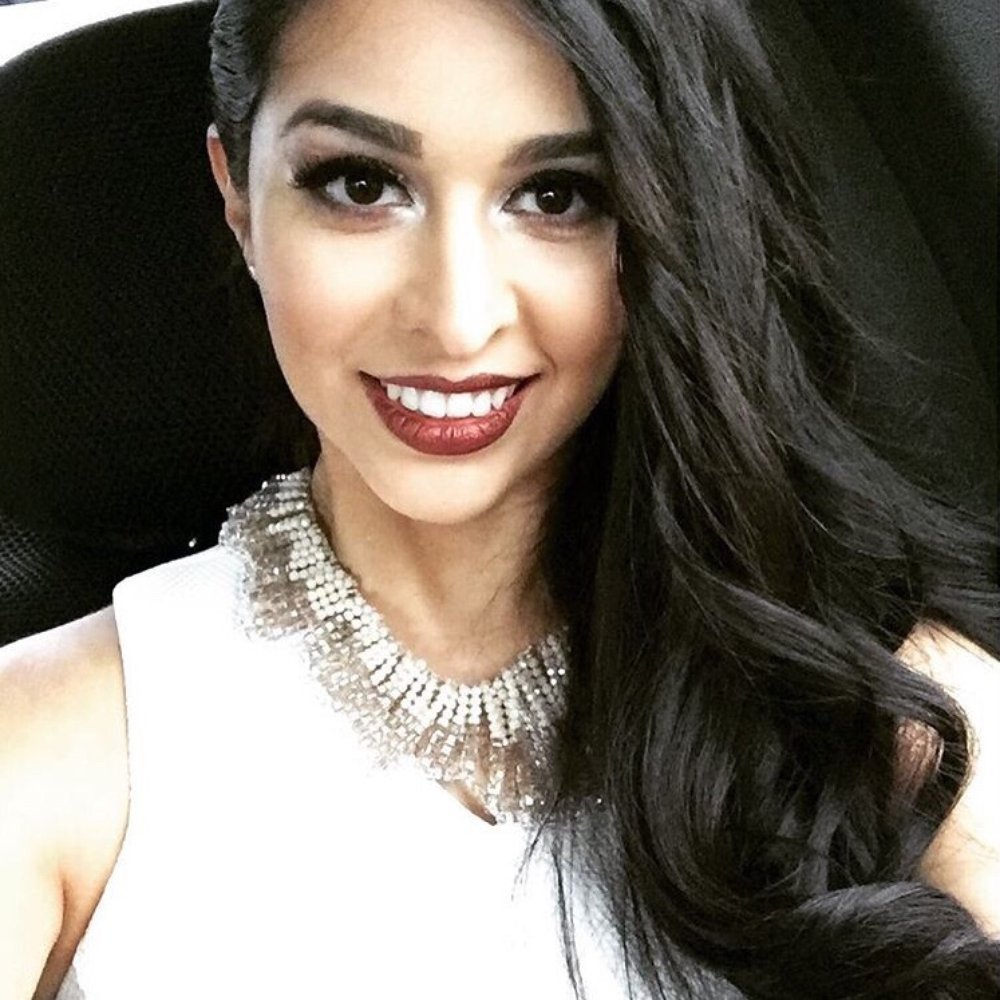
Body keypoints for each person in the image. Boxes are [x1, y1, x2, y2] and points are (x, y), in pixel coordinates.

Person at [2, 0, 998, 997]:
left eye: (557, 195)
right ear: (238, 201)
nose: (458, 317)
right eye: (360, 184)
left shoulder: (896, 712)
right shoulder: (48, 752)